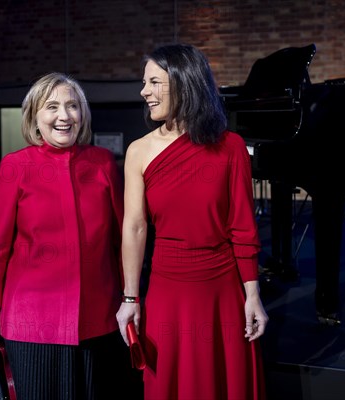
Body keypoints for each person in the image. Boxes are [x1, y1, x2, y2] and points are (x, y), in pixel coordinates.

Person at [115, 44, 268, 400]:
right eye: (144, 83)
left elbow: (243, 227)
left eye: (154, 82)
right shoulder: (139, 151)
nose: (144, 92)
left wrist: (252, 295)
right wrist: (130, 297)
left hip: (222, 292)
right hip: (168, 291)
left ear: (184, 83)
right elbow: (134, 229)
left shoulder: (230, 147)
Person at [0, 72, 139, 400]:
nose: (64, 116)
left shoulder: (103, 163)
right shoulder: (15, 167)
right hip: (31, 321)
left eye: (72, 106)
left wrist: (129, 298)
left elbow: (124, 240)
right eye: (52, 107)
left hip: (97, 318)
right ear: (35, 117)